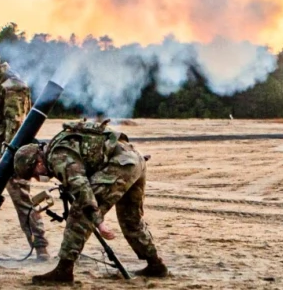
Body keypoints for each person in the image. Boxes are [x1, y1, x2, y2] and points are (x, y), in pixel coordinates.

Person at [13, 119, 169, 283]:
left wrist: (99, 222)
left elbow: (83, 190)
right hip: (133, 160)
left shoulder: (57, 157)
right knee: (131, 219)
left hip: (120, 164)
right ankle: (155, 265)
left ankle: (64, 270)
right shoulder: (59, 146)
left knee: (80, 213)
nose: (38, 178)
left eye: (34, 174)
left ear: (37, 162)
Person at [0, 44, 50, 260]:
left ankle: (40, 247)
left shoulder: (13, 85)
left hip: (11, 156)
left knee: (22, 200)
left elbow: (16, 125)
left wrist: (9, 156)